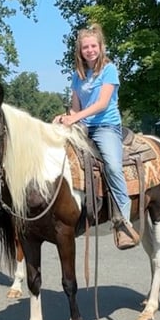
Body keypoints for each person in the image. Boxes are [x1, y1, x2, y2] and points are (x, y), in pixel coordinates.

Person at [53, 24, 140, 250]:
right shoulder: (77, 75)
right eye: (85, 47)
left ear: (101, 47)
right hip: (82, 126)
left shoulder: (109, 70)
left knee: (111, 165)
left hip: (106, 126)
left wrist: (76, 118)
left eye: (93, 46)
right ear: (79, 51)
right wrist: (64, 118)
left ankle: (124, 219)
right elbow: (74, 107)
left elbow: (102, 104)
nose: (90, 50)